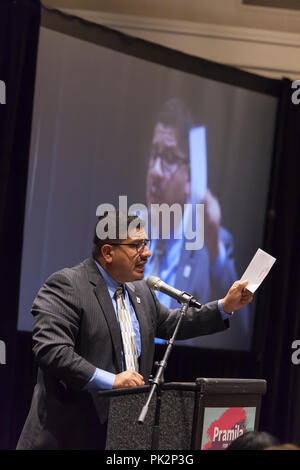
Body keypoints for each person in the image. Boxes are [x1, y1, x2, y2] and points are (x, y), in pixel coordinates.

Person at [17, 212, 253, 450]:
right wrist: (112, 381)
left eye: (146, 244)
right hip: (68, 436)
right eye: (136, 246)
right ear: (108, 252)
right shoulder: (67, 285)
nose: (147, 253)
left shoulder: (140, 291)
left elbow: (172, 323)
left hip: (122, 435)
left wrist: (224, 307)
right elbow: (52, 351)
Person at [144, 98, 248, 348]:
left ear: (191, 177)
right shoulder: (127, 232)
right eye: (153, 155)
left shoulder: (213, 241)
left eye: (168, 158)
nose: (155, 172)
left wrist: (213, 248)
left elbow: (241, 330)